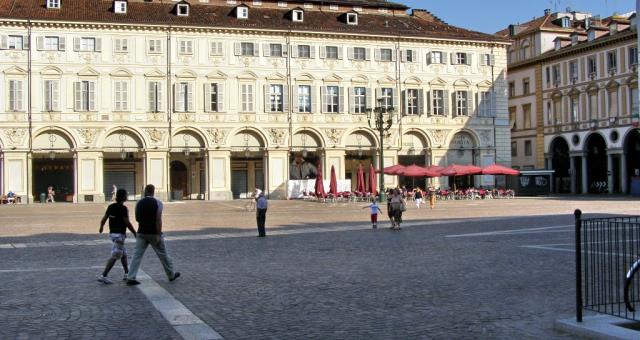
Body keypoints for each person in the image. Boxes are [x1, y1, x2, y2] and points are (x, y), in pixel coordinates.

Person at [126, 184, 180, 286]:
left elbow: (137, 218)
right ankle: (171, 275)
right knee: (163, 255)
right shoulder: (158, 203)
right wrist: (159, 233)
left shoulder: (139, 202)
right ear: (153, 192)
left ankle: (131, 277)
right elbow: (158, 219)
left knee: (137, 255)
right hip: (153, 233)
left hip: (141, 232)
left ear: (145, 191)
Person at [97, 189, 137, 284]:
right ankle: (104, 275)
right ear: (123, 197)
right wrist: (135, 233)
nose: (127, 196)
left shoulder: (111, 206)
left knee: (123, 254)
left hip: (113, 234)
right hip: (119, 235)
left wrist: (101, 227)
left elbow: (104, 219)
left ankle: (127, 273)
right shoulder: (123, 209)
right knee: (115, 255)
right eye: (126, 195)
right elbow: (127, 223)